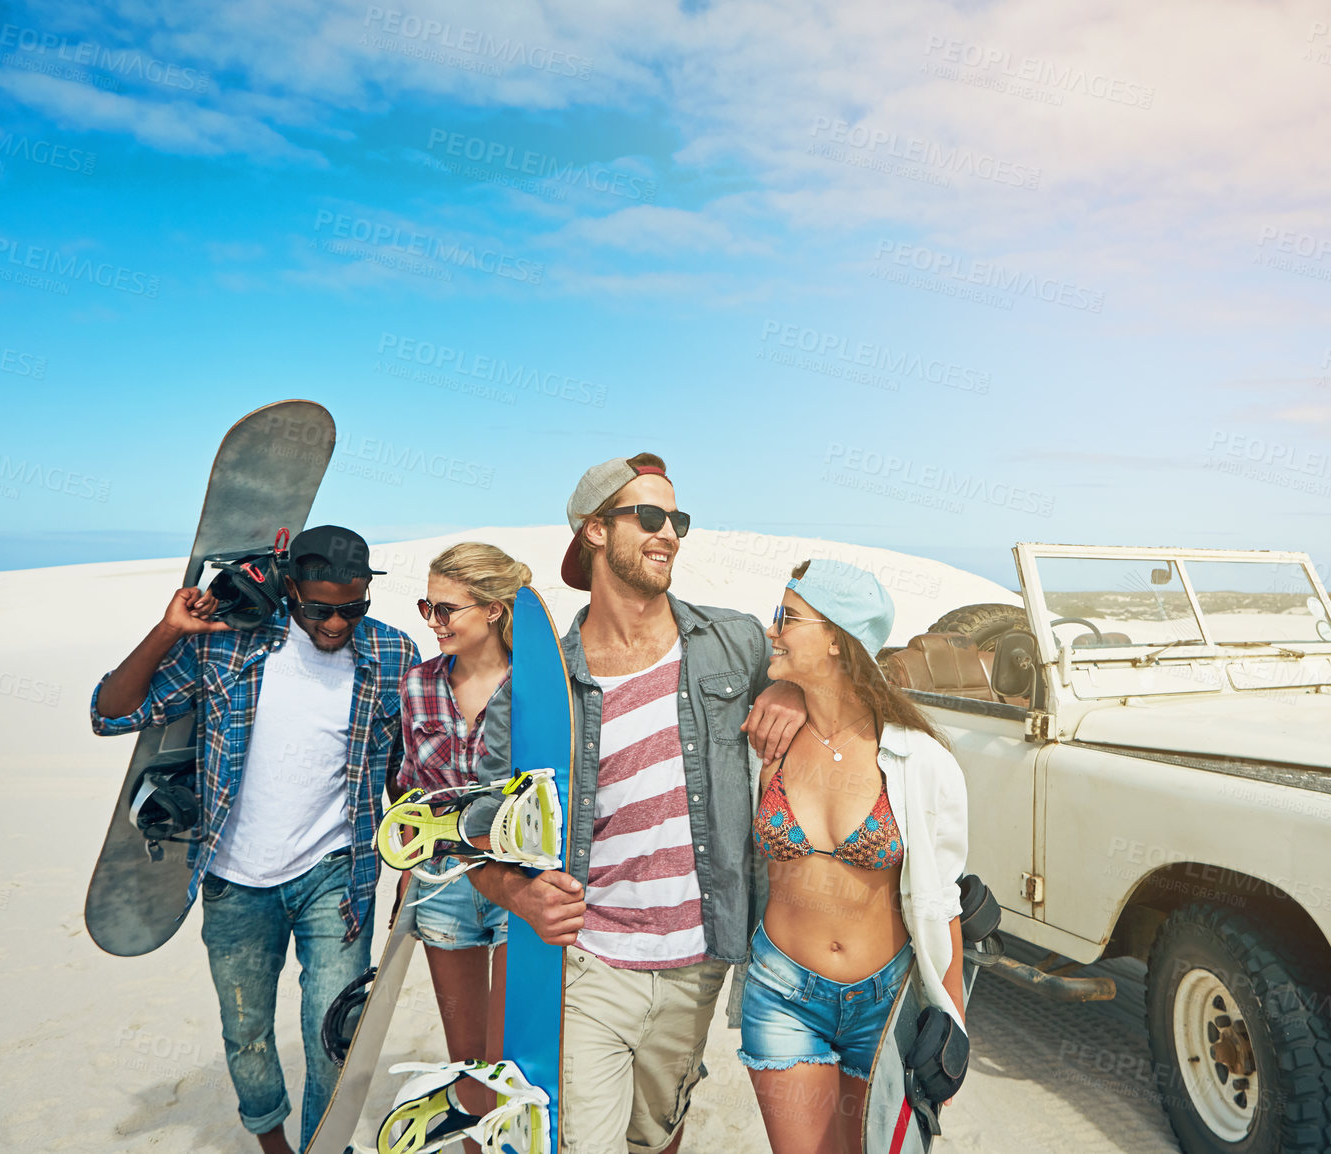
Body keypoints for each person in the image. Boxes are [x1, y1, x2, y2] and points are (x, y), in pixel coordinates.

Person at [469, 452, 806, 1154]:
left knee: (655, 1137)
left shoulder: (733, 641)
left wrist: (789, 689)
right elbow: (472, 836)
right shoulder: (539, 691)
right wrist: (520, 895)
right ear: (594, 531)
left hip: (701, 960)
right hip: (593, 965)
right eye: (649, 516)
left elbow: (833, 676)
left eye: (677, 519)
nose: (670, 534)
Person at [91, 525, 418, 1154]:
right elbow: (111, 712)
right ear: (290, 587)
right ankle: (272, 1145)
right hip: (234, 879)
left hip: (337, 876)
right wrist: (169, 633)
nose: (336, 624)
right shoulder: (228, 648)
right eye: (320, 608)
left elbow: (409, 762)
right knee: (246, 1031)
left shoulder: (390, 653)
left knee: (334, 1031)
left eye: (353, 608)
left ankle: (328, 1146)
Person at [740, 559, 968, 1154]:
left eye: (787, 618)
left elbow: (943, 899)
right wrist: (786, 687)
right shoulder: (765, 740)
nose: (773, 631)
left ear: (837, 638)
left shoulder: (921, 761)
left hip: (887, 1002)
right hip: (782, 993)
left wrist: (951, 1021)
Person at [394, 541, 530, 1153]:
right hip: (441, 884)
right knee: (466, 1057)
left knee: (510, 1059)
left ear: (496, 611)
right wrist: (403, 860)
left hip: (516, 885)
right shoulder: (417, 686)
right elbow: (408, 787)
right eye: (428, 606)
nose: (434, 621)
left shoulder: (540, 689)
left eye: (447, 609)